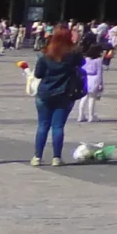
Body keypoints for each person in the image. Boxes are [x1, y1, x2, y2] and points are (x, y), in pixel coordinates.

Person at [30, 31, 84, 166]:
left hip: (45, 93)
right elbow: (82, 63)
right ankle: (56, 158)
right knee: (58, 127)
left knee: (42, 125)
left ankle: (37, 157)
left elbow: (38, 74)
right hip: (64, 94)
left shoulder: (45, 55)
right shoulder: (72, 56)